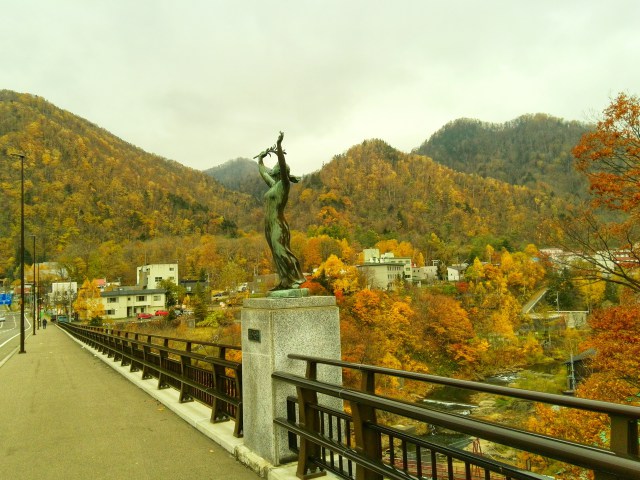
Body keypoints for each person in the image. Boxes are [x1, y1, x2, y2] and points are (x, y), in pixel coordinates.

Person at [255, 131, 306, 290]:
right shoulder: (274, 186)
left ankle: (296, 278)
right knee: (276, 254)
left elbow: (283, 166)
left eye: (276, 168)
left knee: (281, 251)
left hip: (278, 224)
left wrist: (278, 147)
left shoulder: (284, 185)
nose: (273, 169)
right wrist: (260, 160)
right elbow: (263, 173)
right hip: (269, 224)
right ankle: (285, 281)